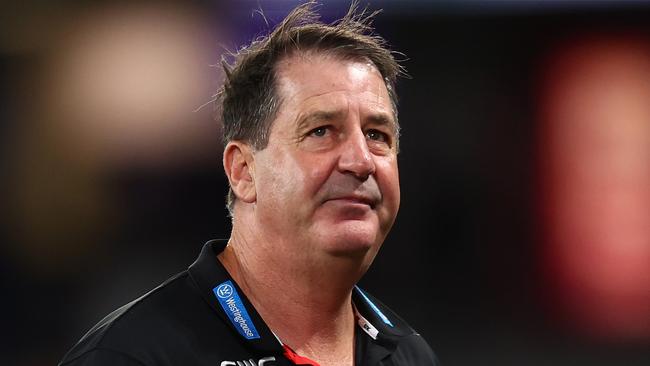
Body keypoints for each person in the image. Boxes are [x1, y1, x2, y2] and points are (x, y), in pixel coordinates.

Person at [59, 2, 439, 365]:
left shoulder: (411, 355)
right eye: (321, 131)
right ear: (243, 171)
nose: (360, 161)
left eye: (377, 135)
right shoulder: (133, 355)